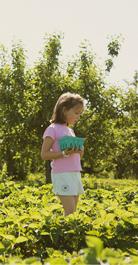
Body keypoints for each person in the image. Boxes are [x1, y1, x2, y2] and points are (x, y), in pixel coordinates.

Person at [41, 92, 85, 216]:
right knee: (70, 211)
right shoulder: (52, 129)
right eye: (76, 113)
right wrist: (64, 153)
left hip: (75, 173)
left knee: (73, 212)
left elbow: (76, 157)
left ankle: (69, 234)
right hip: (62, 174)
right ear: (65, 110)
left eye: (80, 114)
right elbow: (44, 155)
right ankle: (63, 234)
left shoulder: (70, 130)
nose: (78, 116)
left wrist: (79, 150)